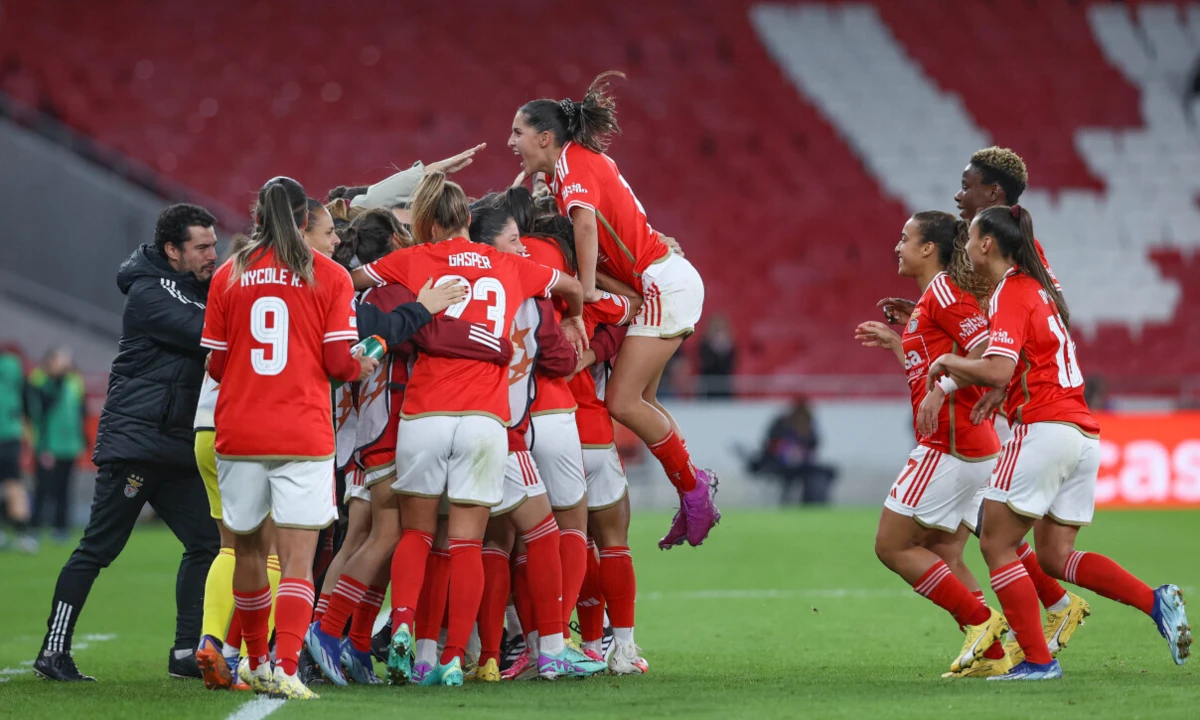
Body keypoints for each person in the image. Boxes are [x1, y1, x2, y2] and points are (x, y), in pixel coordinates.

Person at [925, 204, 1192, 680]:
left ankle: (1038, 662)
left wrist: (947, 364)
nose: (965, 246)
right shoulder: (1037, 289)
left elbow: (1001, 366)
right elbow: (1024, 363)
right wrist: (994, 389)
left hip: (1044, 430)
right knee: (1054, 555)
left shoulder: (1010, 292)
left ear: (987, 244)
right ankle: (1155, 600)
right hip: (1082, 433)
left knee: (995, 543)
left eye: (971, 238)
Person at [350, 172, 585, 687]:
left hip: (424, 414)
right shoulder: (511, 266)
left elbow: (347, 280)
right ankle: (460, 657)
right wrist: (575, 317)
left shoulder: (413, 260)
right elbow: (568, 285)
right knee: (467, 542)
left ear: (430, 220)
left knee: (416, 533)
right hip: (485, 419)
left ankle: (412, 633)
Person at [876, 147, 1088, 659]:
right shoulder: (961, 286)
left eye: (967, 185)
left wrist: (950, 382)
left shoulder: (975, 283)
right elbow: (974, 343)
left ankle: (990, 627)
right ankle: (1018, 634)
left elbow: (986, 350)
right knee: (960, 549)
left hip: (964, 437)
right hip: (986, 435)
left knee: (897, 545)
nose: (958, 193)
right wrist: (907, 339)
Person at [507, 71, 720, 550]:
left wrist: (580, 299)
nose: (511, 141)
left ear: (545, 137)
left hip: (664, 283)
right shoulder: (575, 166)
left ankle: (695, 490)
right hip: (660, 281)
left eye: (518, 132)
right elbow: (603, 238)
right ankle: (693, 494)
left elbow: (585, 231)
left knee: (622, 402)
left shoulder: (572, 167)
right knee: (643, 402)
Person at [304, 208, 510, 687]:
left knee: (367, 535)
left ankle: (353, 644)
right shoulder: (394, 293)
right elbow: (428, 332)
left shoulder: (366, 291)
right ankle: (327, 632)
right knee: (387, 536)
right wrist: (490, 341)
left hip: (369, 426)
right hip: (390, 426)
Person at [201, 176, 379, 699]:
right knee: (298, 559)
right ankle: (285, 666)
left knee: (250, 553)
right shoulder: (330, 275)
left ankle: (254, 662)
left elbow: (215, 363)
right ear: (305, 220)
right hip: (301, 429)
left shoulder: (229, 273)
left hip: (239, 429)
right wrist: (360, 363)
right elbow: (337, 363)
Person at [33, 203, 221, 682]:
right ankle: (53, 651)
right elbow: (207, 335)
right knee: (99, 548)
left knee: (207, 541)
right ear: (171, 250)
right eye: (201, 247)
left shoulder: (197, 287)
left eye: (214, 245)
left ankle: (185, 651)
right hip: (136, 444)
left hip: (174, 445)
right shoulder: (148, 293)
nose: (211, 255)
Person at [855, 211, 1009, 677]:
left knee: (892, 546)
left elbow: (985, 350)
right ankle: (995, 658)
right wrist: (899, 345)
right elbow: (934, 366)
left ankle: (981, 621)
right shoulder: (930, 299)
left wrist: (941, 391)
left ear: (928, 249)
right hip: (971, 444)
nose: (896, 246)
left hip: (950, 442)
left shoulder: (942, 291)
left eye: (905, 239)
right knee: (944, 553)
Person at [465, 204, 606, 681]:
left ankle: (472, 654)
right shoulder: (528, 285)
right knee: (553, 529)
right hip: (512, 428)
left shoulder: (454, 289)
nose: (521, 247)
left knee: (475, 541)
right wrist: (582, 336)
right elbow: (559, 360)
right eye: (511, 240)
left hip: (442, 425)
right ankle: (553, 645)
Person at [26, 346, 87, 541]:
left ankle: (61, 528)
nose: (65, 364)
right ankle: (34, 527)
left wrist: (82, 439)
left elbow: (80, 411)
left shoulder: (74, 382)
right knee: (43, 488)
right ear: (50, 361)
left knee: (64, 489)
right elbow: (39, 409)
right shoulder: (39, 380)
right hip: (48, 444)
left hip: (69, 445)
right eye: (61, 360)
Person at [0, 343, 35, 552]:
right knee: (14, 485)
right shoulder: (14, 367)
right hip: (11, 435)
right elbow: (27, 405)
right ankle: (23, 534)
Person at [697, 314, 736, 398]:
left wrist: (723, 348)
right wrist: (715, 347)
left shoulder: (730, 346)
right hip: (708, 385)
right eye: (716, 329)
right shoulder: (704, 345)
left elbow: (730, 366)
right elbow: (707, 365)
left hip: (725, 385)